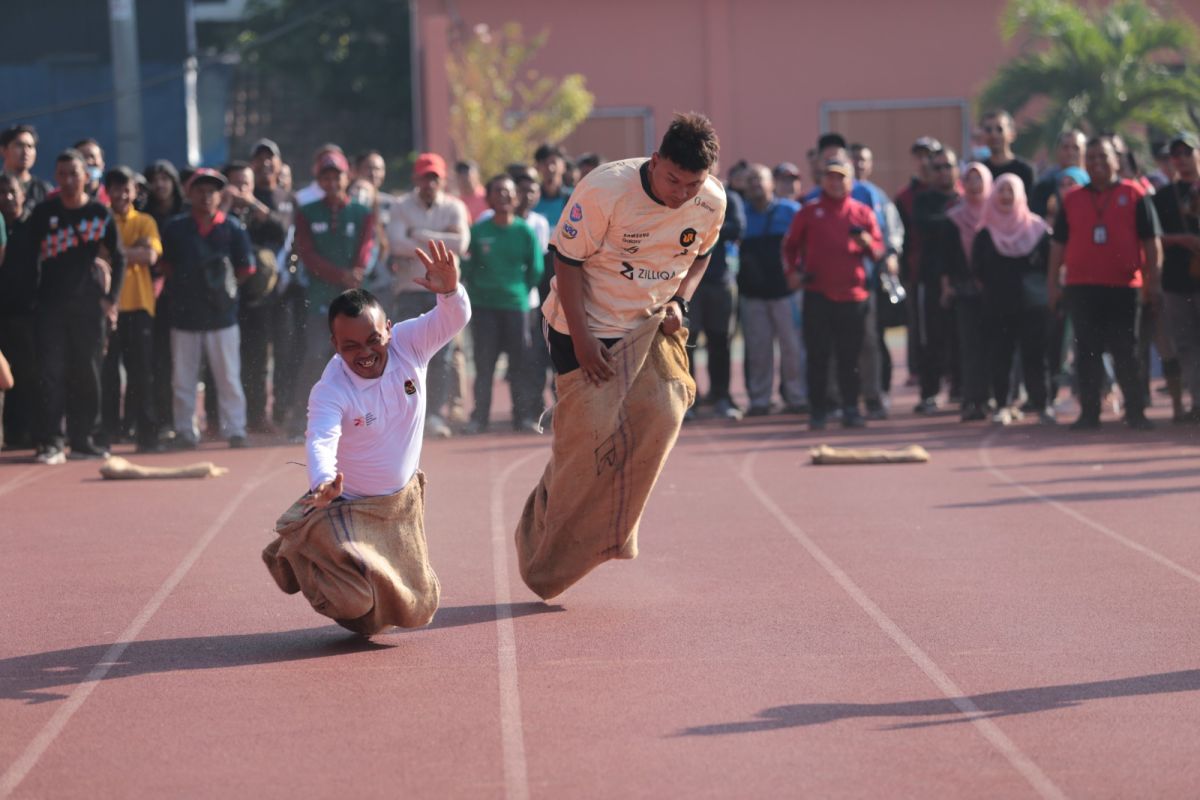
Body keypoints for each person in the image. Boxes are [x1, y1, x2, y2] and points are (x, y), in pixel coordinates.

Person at [519, 112, 726, 600]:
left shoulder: (711, 200)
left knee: (667, 408)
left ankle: (615, 531)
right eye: (673, 179)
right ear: (655, 162)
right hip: (580, 329)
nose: (681, 193)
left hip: (648, 327)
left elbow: (702, 255)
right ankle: (542, 546)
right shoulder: (604, 190)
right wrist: (586, 339)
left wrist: (681, 302)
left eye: (692, 184)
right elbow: (565, 264)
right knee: (586, 443)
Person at [280, 242, 469, 633]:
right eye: (350, 347)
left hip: (401, 507)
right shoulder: (331, 389)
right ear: (335, 346)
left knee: (419, 610)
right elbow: (321, 439)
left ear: (388, 328)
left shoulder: (410, 343)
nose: (365, 353)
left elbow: (453, 319)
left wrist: (450, 292)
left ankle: (351, 588)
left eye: (373, 340)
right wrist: (323, 482)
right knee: (355, 604)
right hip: (347, 506)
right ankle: (303, 545)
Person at [1048, 136, 1163, 430]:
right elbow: (1058, 244)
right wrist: (1052, 283)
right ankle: (1089, 413)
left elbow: (1151, 242)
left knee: (1127, 350)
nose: (1098, 163)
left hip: (1125, 287)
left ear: (1117, 159)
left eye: (1104, 157)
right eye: (1092, 157)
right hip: (1082, 286)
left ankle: (1135, 411)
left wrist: (1152, 281)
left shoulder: (1135, 193)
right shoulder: (1072, 198)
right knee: (1087, 352)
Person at [30, 149, 126, 464]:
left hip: (88, 310)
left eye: (75, 174)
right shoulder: (44, 214)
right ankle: (51, 443)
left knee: (88, 374)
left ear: (86, 177)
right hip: (50, 309)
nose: (69, 180)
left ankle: (85, 441)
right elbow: (26, 258)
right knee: (52, 374)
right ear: (56, 178)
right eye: (63, 175)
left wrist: (111, 300)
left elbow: (120, 256)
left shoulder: (100, 214)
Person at [783, 157, 884, 430]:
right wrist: (792, 272)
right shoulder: (808, 211)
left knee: (850, 356)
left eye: (841, 177)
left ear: (851, 181)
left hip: (854, 297)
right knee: (818, 355)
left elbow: (878, 249)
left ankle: (851, 408)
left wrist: (867, 244)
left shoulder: (862, 212)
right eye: (831, 177)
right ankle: (819, 411)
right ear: (822, 180)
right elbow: (790, 247)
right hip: (818, 294)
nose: (836, 182)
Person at [161, 168, 255, 448]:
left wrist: (224, 290)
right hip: (185, 316)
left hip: (222, 317)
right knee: (183, 380)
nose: (206, 196)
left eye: (212, 190)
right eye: (200, 190)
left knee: (228, 378)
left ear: (220, 195)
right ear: (189, 194)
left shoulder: (232, 228)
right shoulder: (175, 228)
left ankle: (235, 429)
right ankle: (185, 431)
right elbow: (165, 266)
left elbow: (247, 268)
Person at [287, 151, 376, 440]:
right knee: (315, 354)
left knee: (360, 355)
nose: (331, 181)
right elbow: (307, 253)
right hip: (321, 295)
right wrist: (340, 275)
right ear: (319, 180)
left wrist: (358, 269)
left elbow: (367, 243)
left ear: (346, 176)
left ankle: (363, 417)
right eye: (325, 176)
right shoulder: (307, 211)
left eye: (336, 175)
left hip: (354, 296)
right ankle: (301, 416)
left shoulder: (361, 211)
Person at [386, 153, 470, 438]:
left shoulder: (455, 207)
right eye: (425, 177)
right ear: (416, 178)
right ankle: (406, 411)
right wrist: (441, 239)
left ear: (442, 179)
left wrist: (419, 233)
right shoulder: (400, 206)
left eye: (434, 177)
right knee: (403, 354)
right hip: (410, 289)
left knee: (443, 355)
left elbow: (461, 243)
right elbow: (396, 243)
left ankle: (434, 413)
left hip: (444, 293)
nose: (429, 183)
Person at [461, 175, 543, 433]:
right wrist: (480, 292)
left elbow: (536, 269)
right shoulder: (479, 231)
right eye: (498, 191)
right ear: (488, 197)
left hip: (516, 307)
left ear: (515, 197)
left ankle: (522, 417)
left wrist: (518, 291)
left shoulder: (524, 231)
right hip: (484, 308)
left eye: (508, 191)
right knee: (484, 365)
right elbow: (469, 268)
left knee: (519, 364)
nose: (504, 196)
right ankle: (479, 418)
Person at [973, 173, 1054, 425]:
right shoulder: (985, 233)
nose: (1006, 196)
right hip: (998, 305)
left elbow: (1050, 263)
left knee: (1036, 356)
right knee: (1001, 355)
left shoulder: (1039, 230)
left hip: (1033, 306)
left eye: (1011, 190)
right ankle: (1003, 405)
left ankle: (1042, 404)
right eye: (1001, 190)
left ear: (1020, 195)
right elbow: (977, 268)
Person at [99, 166, 163, 452]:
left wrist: (116, 252)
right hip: (108, 308)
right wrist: (130, 251)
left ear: (136, 192)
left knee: (141, 374)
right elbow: (97, 255)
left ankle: (146, 436)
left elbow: (150, 255)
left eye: (127, 188)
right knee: (107, 375)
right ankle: (106, 435)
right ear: (107, 191)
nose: (121, 194)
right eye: (115, 188)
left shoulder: (146, 221)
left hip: (139, 307)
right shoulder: (101, 220)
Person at [738, 164, 805, 415]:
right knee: (758, 349)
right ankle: (759, 400)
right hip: (753, 294)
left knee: (793, 347)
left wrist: (799, 273)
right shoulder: (739, 213)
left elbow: (805, 243)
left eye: (761, 179)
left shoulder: (790, 211)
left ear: (772, 184)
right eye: (751, 180)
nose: (756, 184)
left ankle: (797, 396)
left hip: (786, 292)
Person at [1151, 132, 1200, 423]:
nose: (1181, 159)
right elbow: (1152, 237)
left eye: (1187, 152)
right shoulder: (1163, 197)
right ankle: (1197, 401)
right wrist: (1181, 239)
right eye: (1175, 155)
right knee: (1185, 343)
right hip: (1176, 282)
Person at [686, 180, 745, 420]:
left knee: (720, 340)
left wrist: (705, 226)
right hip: (689, 282)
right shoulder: (684, 193)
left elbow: (738, 228)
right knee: (687, 341)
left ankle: (721, 396)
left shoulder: (728, 197)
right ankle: (689, 398)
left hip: (720, 281)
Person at [942, 162, 993, 421]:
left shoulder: (997, 214)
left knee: (995, 345)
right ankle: (973, 399)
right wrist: (949, 286)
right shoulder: (953, 218)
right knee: (970, 347)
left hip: (994, 292)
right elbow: (947, 258)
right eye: (969, 179)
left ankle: (997, 395)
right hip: (966, 291)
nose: (974, 185)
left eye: (979, 179)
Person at [912, 147, 962, 413]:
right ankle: (929, 393)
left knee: (962, 336)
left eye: (948, 166)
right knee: (931, 338)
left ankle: (961, 389)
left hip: (963, 278)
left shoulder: (966, 198)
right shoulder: (923, 200)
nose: (943, 172)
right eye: (938, 167)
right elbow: (926, 225)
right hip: (930, 279)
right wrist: (955, 220)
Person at [0, 175, 36, 449]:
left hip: (27, 313)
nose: (7, 198)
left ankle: (26, 432)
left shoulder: (35, 224)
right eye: (1, 193)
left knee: (25, 376)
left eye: (12, 192)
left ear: (23, 194)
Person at [1030, 129, 1086, 218]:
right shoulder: (1044, 185)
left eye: (1076, 148)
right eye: (1065, 147)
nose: (1070, 153)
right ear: (1057, 150)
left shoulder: (1095, 183)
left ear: (1085, 151)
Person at [980, 110, 1035, 197]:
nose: (994, 135)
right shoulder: (979, 171)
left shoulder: (1025, 170)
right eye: (988, 130)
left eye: (999, 129)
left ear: (1012, 134)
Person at [1, 125, 51, 214]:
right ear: (3, 150)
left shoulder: (44, 189)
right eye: (19, 145)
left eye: (30, 146)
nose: (26, 151)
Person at [532, 143, 571, 226]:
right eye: (545, 163)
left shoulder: (573, 199)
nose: (550, 168)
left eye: (554, 162)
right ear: (537, 167)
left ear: (563, 166)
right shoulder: (530, 199)